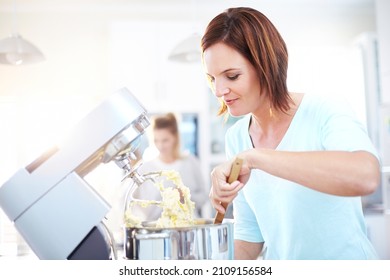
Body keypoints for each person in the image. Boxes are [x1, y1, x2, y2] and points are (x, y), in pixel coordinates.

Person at [201, 7, 381, 260]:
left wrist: (256, 158)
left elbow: (365, 176)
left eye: (232, 76)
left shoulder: (324, 110)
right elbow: (250, 234)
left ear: (266, 66)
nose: (219, 90)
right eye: (211, 79)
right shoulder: (237, 137)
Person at [131, 113, 208, 220]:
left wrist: (185, 196)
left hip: (188, 225)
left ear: (175, 137)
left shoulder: (190, 162)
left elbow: (204, 196)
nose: (160, 146)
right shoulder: (145, 169)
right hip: (157, 228)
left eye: (165, 140)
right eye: (156, 140)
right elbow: (134, 203)